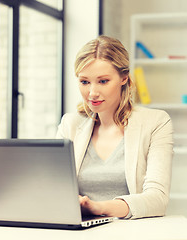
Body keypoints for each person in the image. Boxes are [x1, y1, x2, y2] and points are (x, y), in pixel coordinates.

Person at [56, 35, 173, 219]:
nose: (92, 93)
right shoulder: (70, 125)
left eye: (103, 81)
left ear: (124, 78)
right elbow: (55, 189)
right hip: (79, 230)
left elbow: (157, 199)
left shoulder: (156, 122)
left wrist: (98, 207)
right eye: (85, 82)